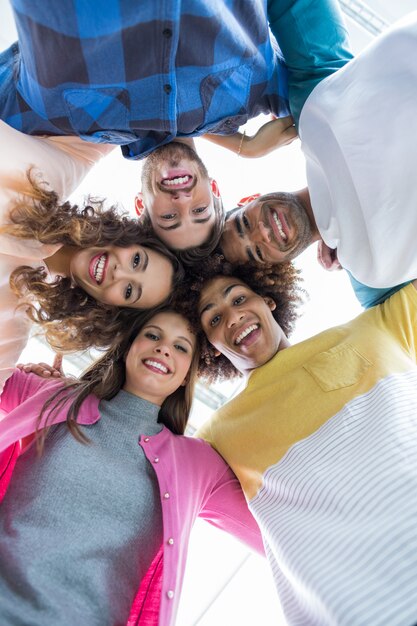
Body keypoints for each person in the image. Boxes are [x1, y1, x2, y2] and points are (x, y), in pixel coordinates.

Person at [0, 1, 353, 254]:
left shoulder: (52, 114)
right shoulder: (258, 91)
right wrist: (340, 229)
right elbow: (340, 93)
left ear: (142, 205)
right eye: (199, 212)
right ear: (214, 189)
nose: (182, 201)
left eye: (169, 217)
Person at [179, 259, 417, 625]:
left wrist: (338, 229)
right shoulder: (216, 438)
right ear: (208, 346)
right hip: (371, 610)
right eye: (213, 319)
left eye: (239, 298)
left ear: (268, 299)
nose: (233, 317)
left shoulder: (378, 326)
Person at [0, 306, 263, 626]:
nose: (163, 348)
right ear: (127, 348)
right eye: (152, 335)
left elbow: (276, 537)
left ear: (186, 377)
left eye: (180, 347)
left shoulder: (198, 466)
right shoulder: (54, 395)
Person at [220, 11, 417, 299]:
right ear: (276, 268)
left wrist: (245, 145)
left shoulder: (312, 109)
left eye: (244, 223)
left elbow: (296, 6)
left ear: (248, 200)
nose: (262, 232)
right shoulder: (373, 277)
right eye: (257, 253)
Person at [0, 121, 183, 392]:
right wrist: (245, 146)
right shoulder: (67, 163)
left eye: (130, 290)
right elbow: (145, 105)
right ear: (130, 238)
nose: (119, 273)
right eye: (136, 261)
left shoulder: (12, 324)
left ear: (110, 308)